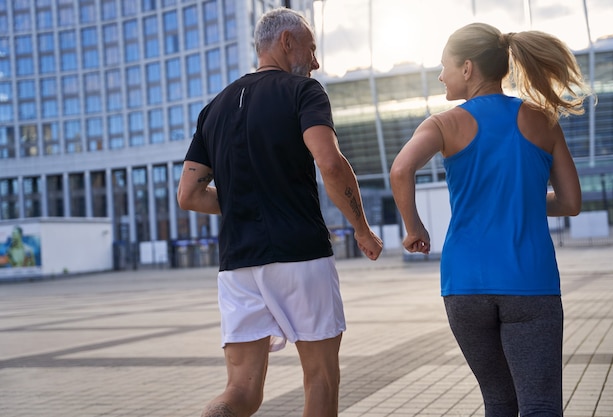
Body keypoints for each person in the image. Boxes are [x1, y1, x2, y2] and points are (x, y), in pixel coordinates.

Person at [177, 7, 383, 417]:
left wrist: (241, 204)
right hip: (300, 253)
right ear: (287, 42)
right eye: (312, 48)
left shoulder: (212, 110)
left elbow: (189, 195)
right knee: (320, 378)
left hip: (237, 265)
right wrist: (361, 227)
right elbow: (329, 162)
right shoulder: (302, 91)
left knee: (240, 391)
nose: (316, 61)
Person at [390, 23, 591, 417]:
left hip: (464, 286)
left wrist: (414, 228)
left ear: (467, 69)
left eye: (443, 66)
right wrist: (523, 200)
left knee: (499, 402)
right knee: (540, 406)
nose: (440, 75)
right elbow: (570, 203)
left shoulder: (443, 124)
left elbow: (400, 170)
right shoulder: (542, 120)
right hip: (530, 283)